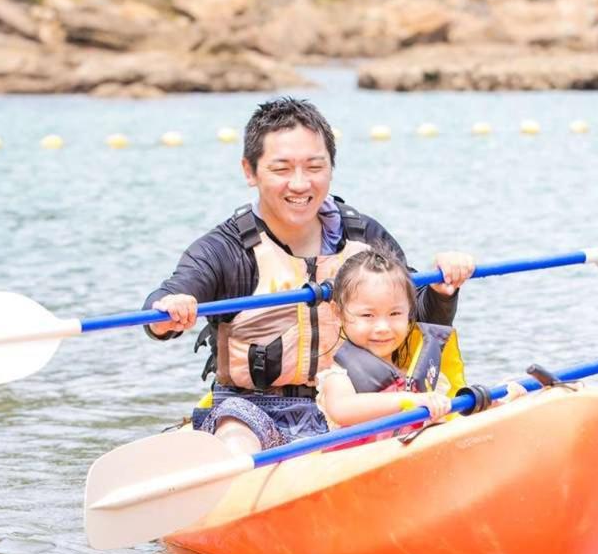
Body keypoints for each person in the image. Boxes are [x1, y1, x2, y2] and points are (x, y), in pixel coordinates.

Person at [145, 96, 475, 453]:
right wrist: (171, 310)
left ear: (331, 167)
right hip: (252, 409)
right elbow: (161, 307)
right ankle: (237, 481)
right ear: (249, 171)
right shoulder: (225, 249)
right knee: (236, 432)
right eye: (282, 169)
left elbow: (415, 316)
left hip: (354, 401)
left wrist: (443, 288)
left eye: (314, 167)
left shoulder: (365, 237)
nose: (300, 184)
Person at [316, 249, 464, 434]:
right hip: (365, 460)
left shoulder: (413, 371)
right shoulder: (338, 378)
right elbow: (342, 409)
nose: (383, 327)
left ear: (409, 310)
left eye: (394, 314)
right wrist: (408, 400)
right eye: (368, 315)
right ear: (337, 313)